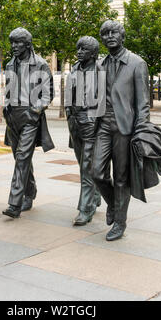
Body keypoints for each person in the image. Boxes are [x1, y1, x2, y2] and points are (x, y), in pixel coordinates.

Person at [93, 20, 150, 241]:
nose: (109, 36)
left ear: (122, 35)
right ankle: (113, 205)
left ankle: (120, 222)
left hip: (125, 128)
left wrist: (141, 131)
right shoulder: (100, 64)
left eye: (113, 32)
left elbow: (143, 103)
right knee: (96, 172)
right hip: (103, 125)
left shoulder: (137, 63)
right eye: (105, 33)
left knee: (121, 178)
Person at [2, 27, 54, 218]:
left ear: (28, 44)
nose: (14, 46)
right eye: (12, 42)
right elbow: (8, 90)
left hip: (30, 117)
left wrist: (36, 110)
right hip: (12, 118)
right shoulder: (9, 65)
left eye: (18, 42)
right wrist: (6, 106)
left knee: (23, 157)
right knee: (20, 158)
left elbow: (48, 95)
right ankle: (30, 192)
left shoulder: (40, 64)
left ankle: (14, 204)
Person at [65, 36, 103, 226]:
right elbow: (68, 95)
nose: (79, 52)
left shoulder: (100, 70)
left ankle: (85, 208)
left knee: (87, 166)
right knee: (83, 163)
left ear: (93, 53)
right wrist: (68, 112)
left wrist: (93, 119)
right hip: (74, 122)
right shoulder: (74, 69)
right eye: (78, 48)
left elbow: (104, 100)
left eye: (84, 49)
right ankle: (96, 196)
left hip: (90, 122)